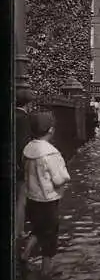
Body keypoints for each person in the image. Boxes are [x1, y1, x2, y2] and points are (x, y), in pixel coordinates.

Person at [21, 111, 70, 276]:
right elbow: (60, 179)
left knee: (38, 228)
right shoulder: (51, 153)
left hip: (31, 199)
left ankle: (25, 254)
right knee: (50, 237)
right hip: (48, 201)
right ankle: (46, 272)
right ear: (50, 130)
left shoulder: (28, 149)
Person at [16, 88, 34, 239]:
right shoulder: (23, 119)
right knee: (20, 200)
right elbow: (23, 145)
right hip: (18, 167)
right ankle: (19, 232)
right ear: (28, 104)